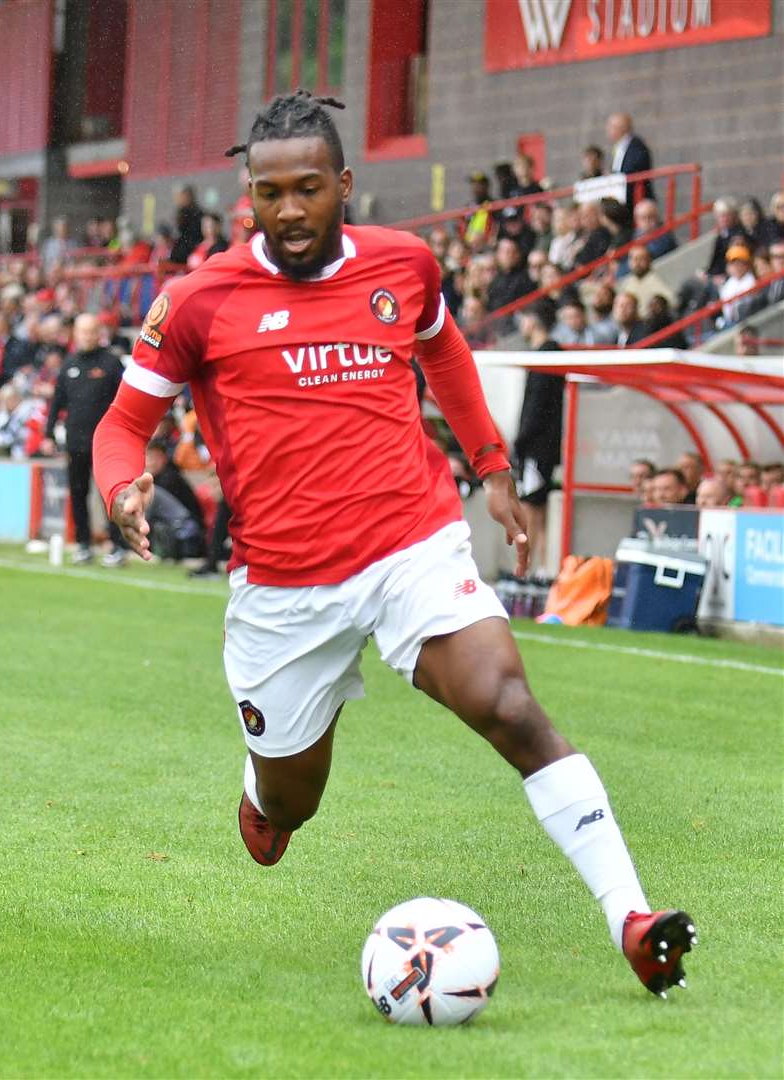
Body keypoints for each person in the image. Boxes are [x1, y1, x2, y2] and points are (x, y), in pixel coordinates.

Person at [91, 89, 694, 998]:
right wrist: (119, 486)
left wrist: (492, 466)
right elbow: (120, 425)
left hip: (410, 542)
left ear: (345, 183)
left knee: (507, 702)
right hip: (284, 589)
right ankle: (266, 799)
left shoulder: (404, 265)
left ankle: (634, 920)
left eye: (307, 189)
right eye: (268, 193)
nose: (289, 211)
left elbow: (443, 351)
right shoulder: (197, 302)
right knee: (294, 801)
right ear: (245, 194)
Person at [41, 313, 126, 566]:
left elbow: (123, 399)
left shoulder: (111, 363)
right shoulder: (69, 364)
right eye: (82, 332)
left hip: (105, 444)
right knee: (78, 494)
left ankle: (117, 546)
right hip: (75, 441)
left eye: (91, 331)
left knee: (108, 496)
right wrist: (48, 434)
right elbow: (57, 402)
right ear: (75, 334)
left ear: (98, 333)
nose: (86, 336)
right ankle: (83, 545)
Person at [513, 299, 565, 571]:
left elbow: (537, 406)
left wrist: (521, 441)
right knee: (534, 507)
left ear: (533, 320)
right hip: (538, 446)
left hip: (538, 448)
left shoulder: (548, 354)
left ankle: (532, 569)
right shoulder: (544, 354)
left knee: (533, 508)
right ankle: (535, 567)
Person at [607, 112, 653, 206]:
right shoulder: (620, 147)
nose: (608, 130)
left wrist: (614, 177)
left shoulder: (636, 146)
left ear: (621, 128)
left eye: (611, 126)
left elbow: (633, 170)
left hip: (633, 199)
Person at [620, 246, 677, 313]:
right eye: (635, 259)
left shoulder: (657, 279)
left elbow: (673, 302)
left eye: (641, 259)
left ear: (649, 261)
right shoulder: (627, 284)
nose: (637, 263)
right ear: (629, 262)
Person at [170, 186, 204, 265]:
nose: (177, 200)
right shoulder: (180, 212)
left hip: (191, 255)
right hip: (182, 255)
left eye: (180, 196)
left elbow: (194, 237)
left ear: (189, 196)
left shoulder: (197, 214)